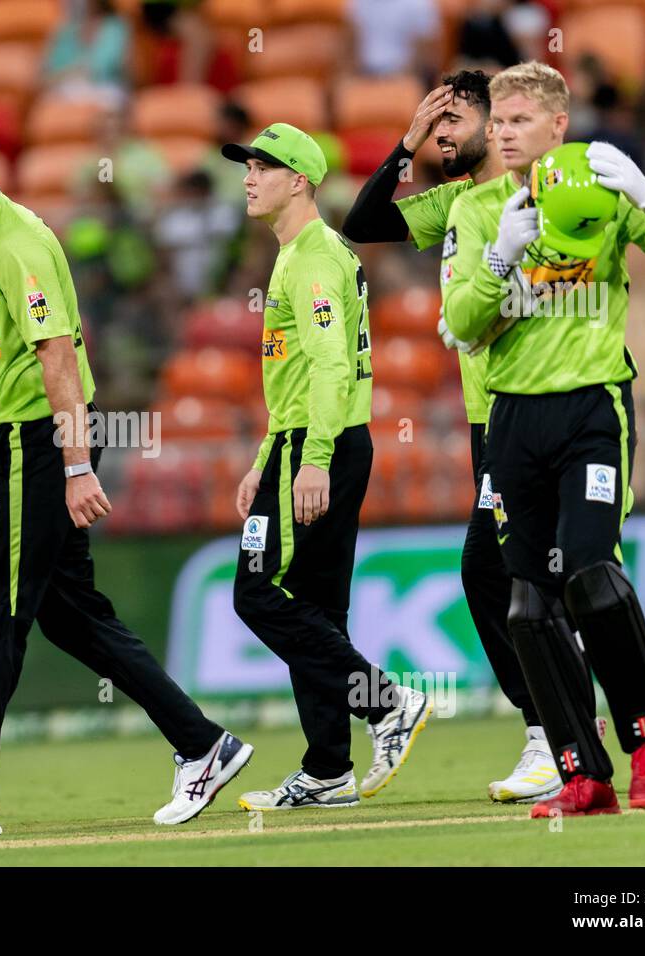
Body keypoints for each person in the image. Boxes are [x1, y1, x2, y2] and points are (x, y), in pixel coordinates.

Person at [0, 107, 252, 837]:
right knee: (75, 617)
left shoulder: (18, 243)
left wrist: (74, 465)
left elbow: (58, 356)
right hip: (16, 444)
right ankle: (203, 744)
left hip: (38, 446)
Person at [441, 62, 645, 817]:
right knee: (528, 604)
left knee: (591, 575)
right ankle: (582, 775)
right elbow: (463, 327)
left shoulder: (597, 184)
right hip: (512, 420)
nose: (502, 133)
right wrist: (500, 256)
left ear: (558, 125)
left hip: (591, 406)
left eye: (519, 121)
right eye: (496, 122)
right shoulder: (477, 210)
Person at [342, 71, 565, 804]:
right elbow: (363, 222)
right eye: (431, 125)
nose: (441, 135)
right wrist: (402, 146)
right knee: (519, 574)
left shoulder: (537, 195)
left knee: (493, 571)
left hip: (528, 405)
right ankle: (569, 731)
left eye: (451, 119)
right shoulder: (455, 202)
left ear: (493, 119)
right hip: (484, 418)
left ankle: (551, 732)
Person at [219, 123, 430, 812]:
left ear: (299, 180)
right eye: (246, 167)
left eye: (262, 167)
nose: (248, 178)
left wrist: (307, 460)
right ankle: (327, 768)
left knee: (255, 594)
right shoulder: (317, 252)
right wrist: (266, 456)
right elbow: (300, 371)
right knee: (315, 609)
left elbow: (332, 365)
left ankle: (387, 702)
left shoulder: (309, 257)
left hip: (320, 443)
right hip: (326, 440)